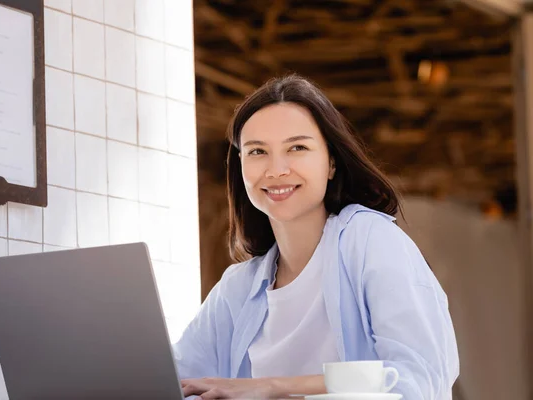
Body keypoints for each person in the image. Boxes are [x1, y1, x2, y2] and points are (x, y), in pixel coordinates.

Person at [173, 75, 459, 399]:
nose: (276, 169)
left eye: (297, 147)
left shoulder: (371, 241)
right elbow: (173, 382)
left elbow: (419, 377)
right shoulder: (238, 288)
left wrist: (273, 387)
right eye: (257, 151)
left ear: (331, 162)